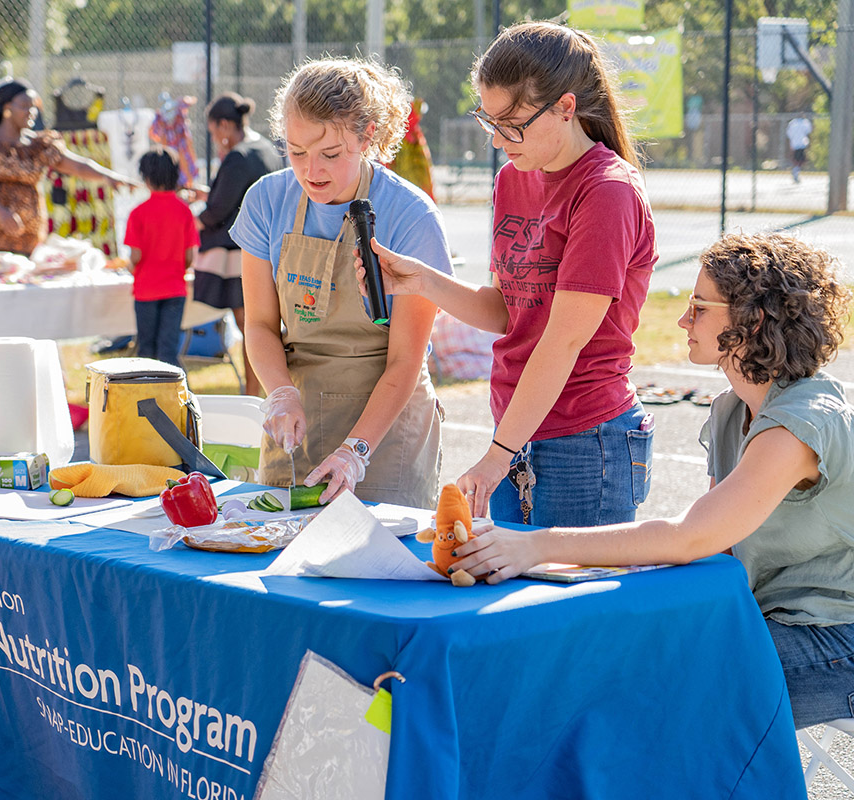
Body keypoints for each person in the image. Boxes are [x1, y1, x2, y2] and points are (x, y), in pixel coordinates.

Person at [455, 232, 854, 730]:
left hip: (835, 638)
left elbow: (690, 537)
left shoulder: (800, 423)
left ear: (753, 321)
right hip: (765, 616)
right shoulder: (733, 408)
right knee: (609, 651)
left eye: (699, 307)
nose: (685, 320)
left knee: (646, 687)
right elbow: (715, 552)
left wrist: (532, 546)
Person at [359, 21, 657, 525]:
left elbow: (561, 342)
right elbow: (505, 312)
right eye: (488, 120)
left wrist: (498, 455)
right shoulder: (512, 177)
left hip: (585, 439)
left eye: (512, 123)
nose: (498, 140)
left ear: (566, 108)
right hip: (519, 429)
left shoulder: (607, 192)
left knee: (565, 602)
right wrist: (422, 281)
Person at [230, 58, 452, 509]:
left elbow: (407, 360)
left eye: (330, 154)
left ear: (367, 136)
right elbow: (258, 326)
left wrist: (356, 451)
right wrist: (280, 393)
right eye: (296, 152)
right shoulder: (265, 202)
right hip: (297, 423)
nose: (311, 170)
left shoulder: (412, 216)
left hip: (386, 431)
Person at [0, 79, 136, 406]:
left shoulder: (38, 145)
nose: (32, 111)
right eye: (25, 106)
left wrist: (109, 176)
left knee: (23, 310)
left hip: (23, 244)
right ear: (6, 108)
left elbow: (76, 164)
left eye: (34, 106)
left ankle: (22, 384)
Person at [193, 92, 281, 395]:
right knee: (264, 326)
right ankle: (266, 392)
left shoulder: (238, 156)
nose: (215, 137)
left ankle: (253, 395)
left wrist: (196, 218)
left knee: (251, 328)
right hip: (270, 245)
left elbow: (218, 210)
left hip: (240, 254)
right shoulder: (265, 147)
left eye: (215, 130)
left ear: (226, 125)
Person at [124, 147, 199, 367]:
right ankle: (171, 397)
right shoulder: (184, 211)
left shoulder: (138, 213)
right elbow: (188, 257)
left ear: (146, 178)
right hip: (175, 289)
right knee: (168, 350)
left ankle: (145, 395)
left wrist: (130, 266)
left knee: (146, 349)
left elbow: (135, 256)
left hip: (146, 290)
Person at [786, 115, 812, 183]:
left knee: (799, 159)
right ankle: (795, 171)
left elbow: (789, 134)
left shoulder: (794, 123)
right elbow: (809, 132)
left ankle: (796, 171)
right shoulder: (802, 123)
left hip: (798, 143)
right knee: (798, 159)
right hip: (800, 143)